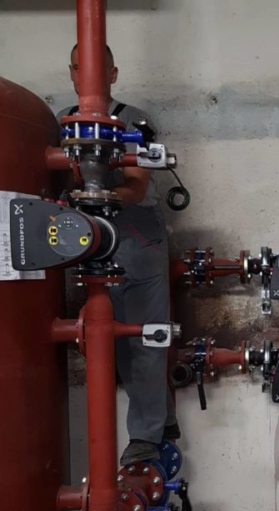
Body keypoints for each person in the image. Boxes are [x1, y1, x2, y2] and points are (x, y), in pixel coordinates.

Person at [58, 44, 180, 466]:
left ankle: (144, 437)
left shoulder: (134, 119)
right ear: (72, 73)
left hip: (136, 238)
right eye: (79, 67)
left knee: (142, 338)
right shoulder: (62, 122)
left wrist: (98, 197)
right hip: (86, 241)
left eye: (95, 67)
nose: (86, 74)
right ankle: (162, 420)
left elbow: (137, 185)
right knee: (114, 343)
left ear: (112, 73)